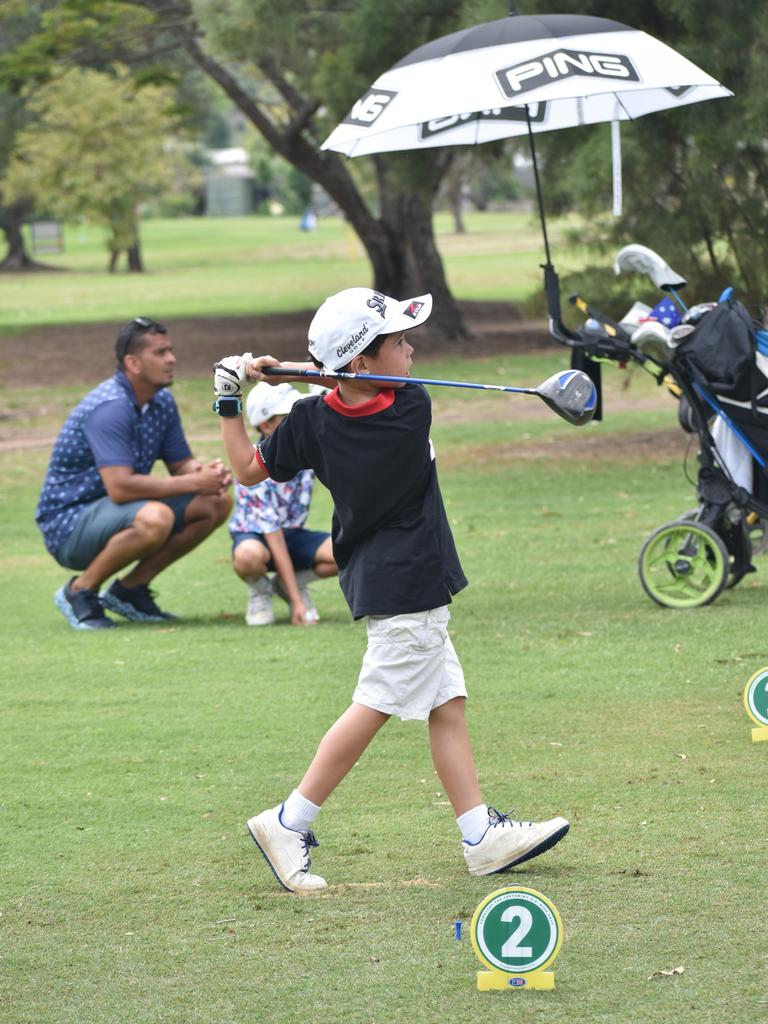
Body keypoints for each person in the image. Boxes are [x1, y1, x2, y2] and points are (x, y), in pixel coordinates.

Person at [212, 288, 569, 893]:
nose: (412, 351)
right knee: (375, 705)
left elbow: (249, 470)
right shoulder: (409, 405)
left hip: (388, 574)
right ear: (362, 363)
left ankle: (480, 835)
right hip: (407, 580)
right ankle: (287, 821)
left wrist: (230, 398)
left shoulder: (310, 421)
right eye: (399, 342)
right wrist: (302, 383)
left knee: (446, 705)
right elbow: (344, 403)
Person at [37, 316, 232, 630]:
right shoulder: (111, 407)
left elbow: (180, 463)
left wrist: (204, 474)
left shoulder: (161, 401)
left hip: (120, 512)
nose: (172, 359)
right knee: (155, 517)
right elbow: (121, 489)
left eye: (170, 350)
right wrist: (191, 481)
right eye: (160, 353)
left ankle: (130, 591)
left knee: (216, 502)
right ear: (133, 363)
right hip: (69, 525)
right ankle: (80, 591)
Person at [230, 381, 338, 626]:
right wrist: (297, 603)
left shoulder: (303, 449)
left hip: (293, 534)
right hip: (257, 538)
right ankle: (260, 589)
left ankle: (290, 583)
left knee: (348, 549)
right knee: (248, 556)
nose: (298, 422)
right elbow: (274, 536)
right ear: (266, 425)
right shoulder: (254, 466)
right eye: (289, 417)